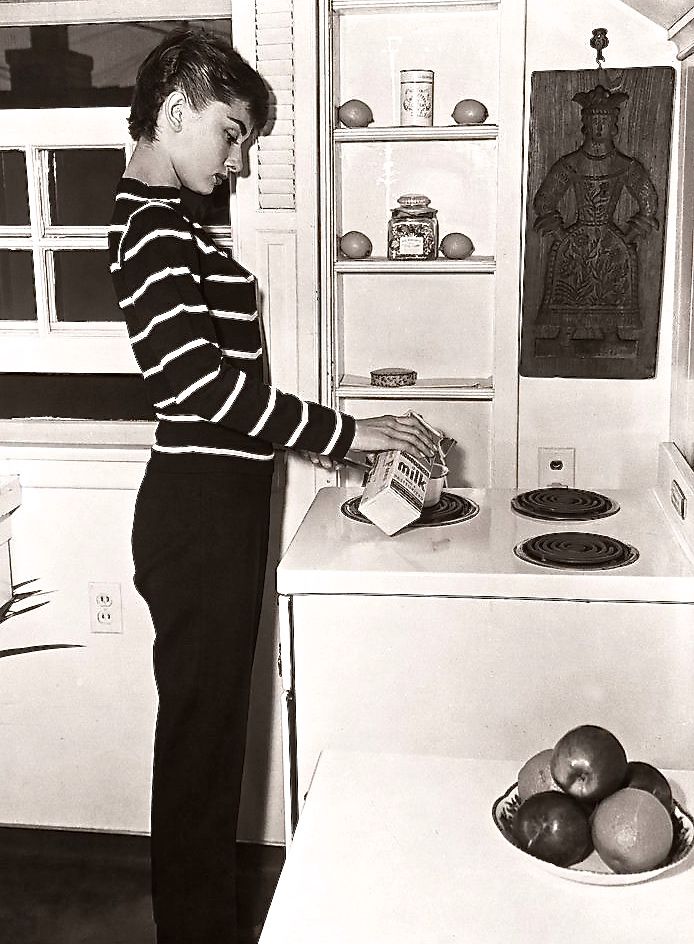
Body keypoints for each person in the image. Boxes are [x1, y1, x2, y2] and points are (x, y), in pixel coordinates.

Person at [108, 27, 439, 944]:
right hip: (195, 516)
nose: (241, 157)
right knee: (200, 750)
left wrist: (339, 455)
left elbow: (233, 397)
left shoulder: (176, 226)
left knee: (210, 744)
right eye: (232, 130)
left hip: (220, 506)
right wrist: (352, 431)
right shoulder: (148, 229)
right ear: (175, 113)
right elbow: (204, 392)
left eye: (247, 138)